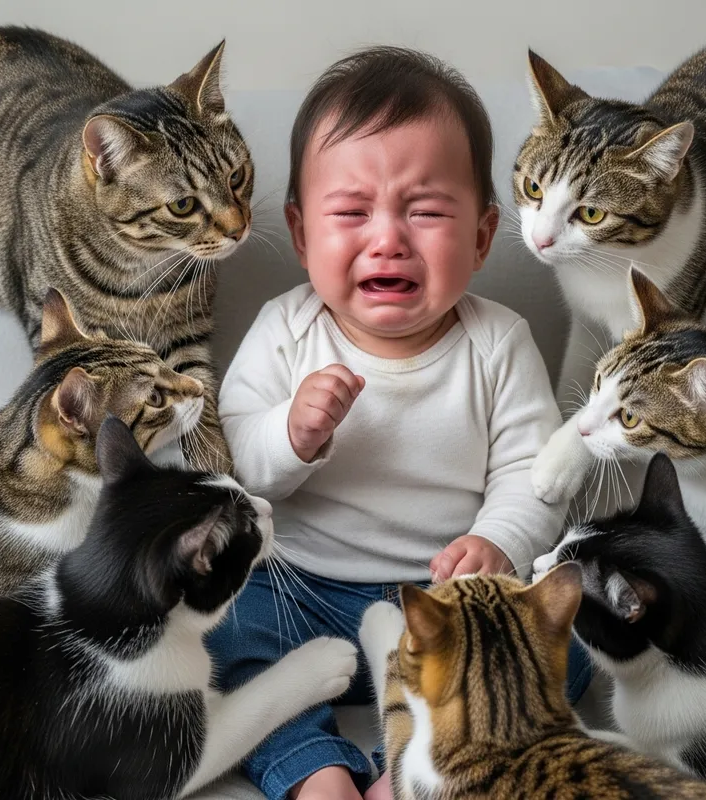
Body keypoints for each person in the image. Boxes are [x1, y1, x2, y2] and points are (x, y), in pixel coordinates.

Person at [211, 45, 591, 800]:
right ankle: (312, 769)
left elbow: (534, 475)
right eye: (351, 212)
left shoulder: (497, 342)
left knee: (571, 643)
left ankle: (415, 769)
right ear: (300, 233)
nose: (388, 237)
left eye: (425, 210)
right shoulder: (286, 329)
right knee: (216, 631)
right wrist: (291, 434)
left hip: (444, 605)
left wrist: (500, 541)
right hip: (299, 594)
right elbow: (240, 460)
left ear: (482, 237)